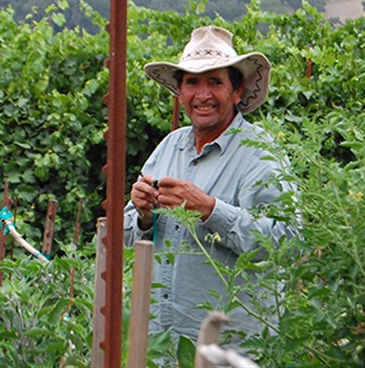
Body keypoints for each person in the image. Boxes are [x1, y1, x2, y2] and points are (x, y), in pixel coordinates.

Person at [124, 26, 299, 346]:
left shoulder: (260, 155)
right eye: (192, 82)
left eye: (214, 82)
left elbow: (285, 243)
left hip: (230, 349)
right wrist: (143, 214)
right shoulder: (169, 147)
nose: (202, 95)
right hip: (164, 343)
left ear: (236, 91)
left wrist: (209, 209)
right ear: (180, 91)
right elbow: (125, 237)